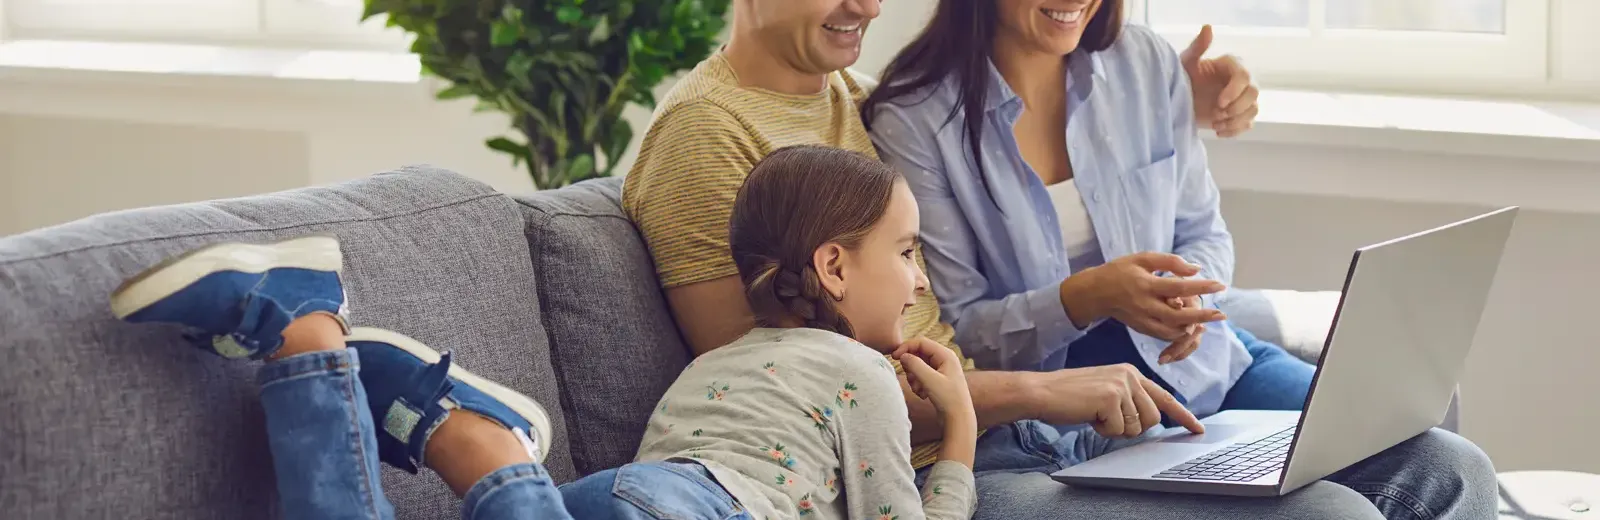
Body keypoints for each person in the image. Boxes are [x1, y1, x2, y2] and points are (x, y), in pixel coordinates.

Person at [624, 1, 1497, 519]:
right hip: (957, 465)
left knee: (1447, 467)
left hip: (1041, 419)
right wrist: (1042, 384)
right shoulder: (712, 135)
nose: (867, 4)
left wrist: (1180, 99)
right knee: (1336, 513)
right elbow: (781, 389)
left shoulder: (847, 102)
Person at [107, 146, 981, 519]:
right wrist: (961, 441)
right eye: (904, 251)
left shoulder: (724, 364)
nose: (917, 276)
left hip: (616, 495)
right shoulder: (855, 374)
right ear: (832, 268)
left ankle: (307, 337)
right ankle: (487, 447)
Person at [861, 2, 1306, 414]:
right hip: (1074, 409)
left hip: (1207, 366)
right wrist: (1088, 297)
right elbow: (958, 330)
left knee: (1367, 435)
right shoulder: (914, 122)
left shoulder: (1145, 61)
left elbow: (1204, 232)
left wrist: (1185, 295)